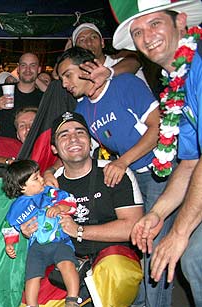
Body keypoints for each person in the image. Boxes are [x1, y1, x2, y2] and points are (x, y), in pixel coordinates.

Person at [56, 46, 179, 307]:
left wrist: (122, 161)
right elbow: (75, 147)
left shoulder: (124, 85)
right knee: (140, 241)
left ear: (87, 67)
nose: (65, 84)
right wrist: (48, 172)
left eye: (68, 75)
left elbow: (159, 127)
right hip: (134, 176)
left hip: (162, 170)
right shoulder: (83, 108)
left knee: (151, 242)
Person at [110, 0, 202, 305]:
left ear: (181, 22)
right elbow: (189, 163)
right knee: (193, 259)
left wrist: (179, 232)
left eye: (155, 24)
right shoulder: (179, 80)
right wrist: (157, 214)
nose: (147, 37)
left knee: (193, 257)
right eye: (137, 31)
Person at [22, 112, 144, 306]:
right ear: (54, 148)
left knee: (115, 271)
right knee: (28, 299)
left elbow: (134, 228)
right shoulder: (47, 185)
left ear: (90, 141)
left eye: (80, 132)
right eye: (64, 135)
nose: (73, 138)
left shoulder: (113, 172)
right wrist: (29, 230)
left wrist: (78, 230)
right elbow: (28, 219)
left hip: (113, 261)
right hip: (68, 264)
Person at [2, 159, 80, 307]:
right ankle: (32, 304)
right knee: (31, 276)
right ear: (22, 187)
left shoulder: (50, 192)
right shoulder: (18, 207)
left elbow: (71, 201)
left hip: (60, 241)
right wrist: (9, 243)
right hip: (36, 247)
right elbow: (9, 225)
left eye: (40, 175)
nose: (42, 179)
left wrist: (60, 208)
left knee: (67, 264)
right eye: (36, 178)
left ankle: (72, 299)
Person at [69, 22, 147, 96]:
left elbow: (134, 62)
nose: (89, 43)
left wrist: (109, 72)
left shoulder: (120, 60)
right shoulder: (80, 79)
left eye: (93, 37)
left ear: (102, 43)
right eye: (82, 40)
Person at [0, 53, 44, 139]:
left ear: (39, 69)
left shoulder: (43, 98)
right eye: (24, 65)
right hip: (3, 147)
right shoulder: (1, 90)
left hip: (30, 148)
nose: (28, 70)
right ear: (18, 69)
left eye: (32, 65)